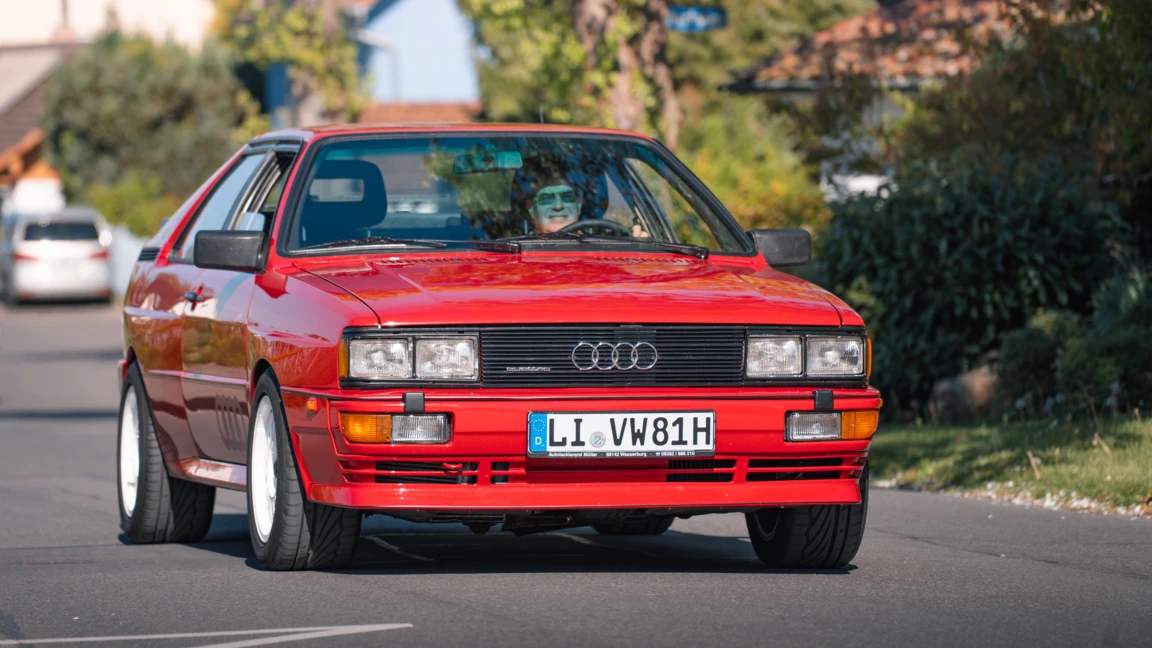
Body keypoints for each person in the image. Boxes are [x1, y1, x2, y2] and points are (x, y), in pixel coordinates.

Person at [526, 174, 650, 237]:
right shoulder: (514, 250)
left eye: (567, 197)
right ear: (531, 208)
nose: (558, 206)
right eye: (547, 199)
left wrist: (638, 243)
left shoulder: (607, 245)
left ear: (579, 203)